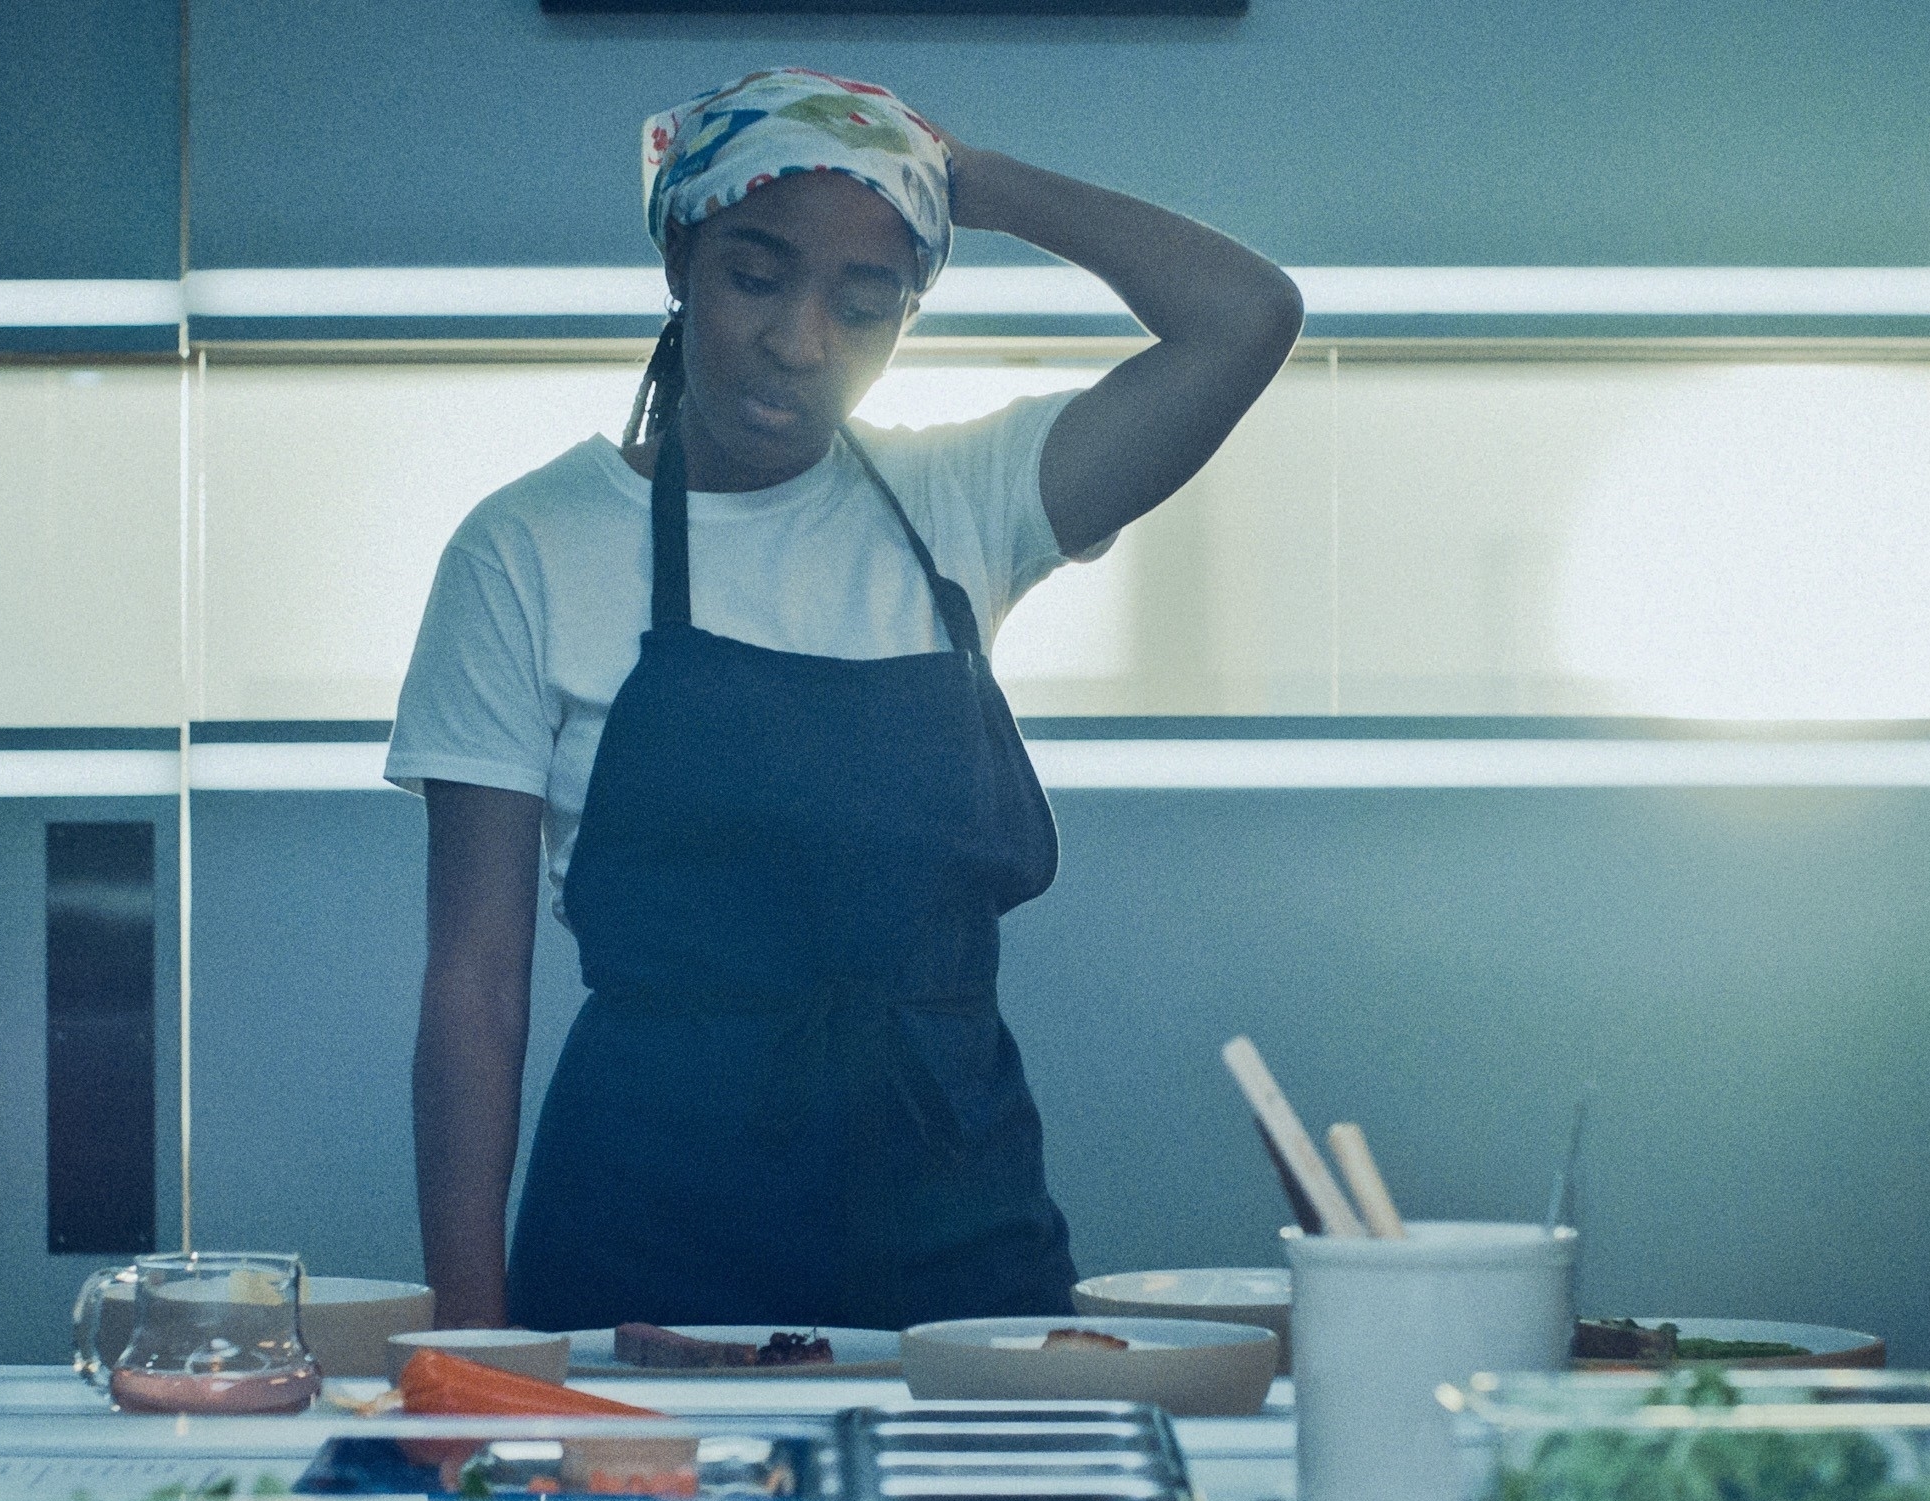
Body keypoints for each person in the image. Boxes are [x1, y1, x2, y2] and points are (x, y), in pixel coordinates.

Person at [386, 68, 1300, 1332]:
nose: (801, 340)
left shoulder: (964, 499)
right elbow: (475, 986)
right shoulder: (527, 547)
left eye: (865, 303)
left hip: (954, 1218)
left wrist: (966, 181)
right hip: (646, 1227)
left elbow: (1246, 316)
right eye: (757, 275)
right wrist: (470, 1335)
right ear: (680, 259)